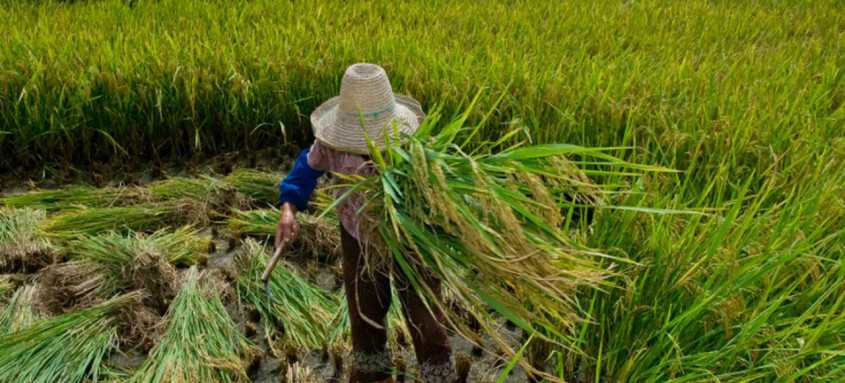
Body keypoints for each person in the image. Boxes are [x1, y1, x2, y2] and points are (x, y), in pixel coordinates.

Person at [275, 63, 458, 383]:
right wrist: (288, 209)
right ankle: (373, 375)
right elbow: (306, 168)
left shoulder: (411, 146)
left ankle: (440, 376)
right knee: (364, 315)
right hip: (357, 238)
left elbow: (441, 192)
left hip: (409, 237)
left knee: (425, 320)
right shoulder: (332, 145)